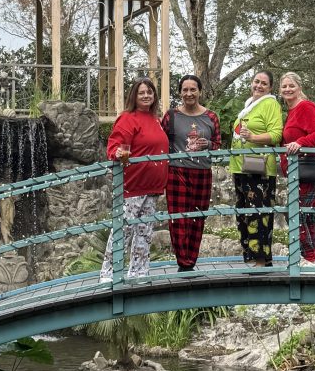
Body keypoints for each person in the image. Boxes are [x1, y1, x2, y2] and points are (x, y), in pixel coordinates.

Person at [100, 77, 169, 282]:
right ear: (134, 96)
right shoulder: (128, 118)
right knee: (124, 228)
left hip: (153, 186)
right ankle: (109, 273)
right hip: (134, 184)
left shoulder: (156, 119)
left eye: (149, 92)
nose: (146, 95)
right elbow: (115, 145)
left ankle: (139, 272)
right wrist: (118, 153)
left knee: (145, 231)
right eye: (142, 92)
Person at [161, 75, 221, 271]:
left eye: (192, 89)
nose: (189, 94)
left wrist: (209, 144)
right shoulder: (171, 116)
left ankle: (191, 260)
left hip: (202, 172)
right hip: (177, 172)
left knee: (197, 217)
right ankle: (183, 262)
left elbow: (218, 145)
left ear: (200, 91)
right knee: (178, 218)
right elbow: (162, 143)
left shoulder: (211, 117)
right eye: (185, 90)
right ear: (180, 92)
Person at [229, 70, 284, 266]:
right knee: (244, 212)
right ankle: (250, 256)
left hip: (258, 168)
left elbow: (276, 134)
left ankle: (261, 259)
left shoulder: (270, 104)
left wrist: (253, 138)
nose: (258, 86)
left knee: (258, 213)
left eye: (263, 83)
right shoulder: (248, 105)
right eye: (256, 81)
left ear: (270, 88)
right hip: (240, 166)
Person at [279, 71, 315, 265]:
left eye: (291, 86)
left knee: (299, 210)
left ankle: (310, 256)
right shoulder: (292, 112)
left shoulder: (306, 107)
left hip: (308, 166)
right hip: (297, 168)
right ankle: (310, 255)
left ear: (299, 88)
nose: (288, 89)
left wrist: (300, 142)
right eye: (284, 86)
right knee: (306, 210)